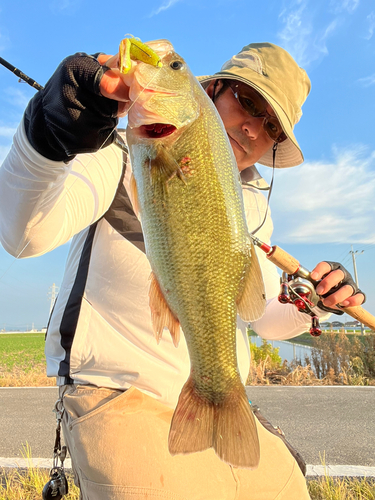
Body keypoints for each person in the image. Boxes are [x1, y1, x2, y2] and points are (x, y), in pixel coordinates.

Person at [0, 41, 365, 500]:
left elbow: (261, 316)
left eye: (272, 128)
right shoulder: (122, 151)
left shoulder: (251, 202)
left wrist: (314, 302)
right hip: (119, 396)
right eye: (248, 101)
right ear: (211, 91)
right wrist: (49, 132)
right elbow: (23, 235)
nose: (254, 128)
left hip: (218, 399)